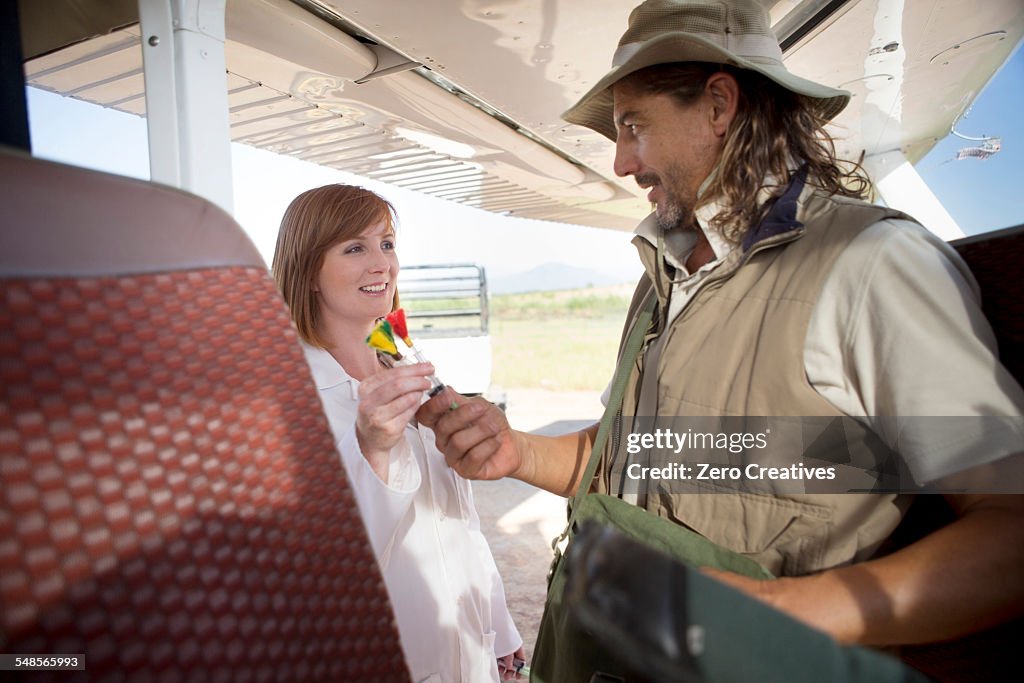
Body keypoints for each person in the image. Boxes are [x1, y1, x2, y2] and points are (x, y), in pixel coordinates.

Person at [417, 0, 1024, 669]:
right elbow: (632, 458)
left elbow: (1010, 528)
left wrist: (776, 612)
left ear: (718, 105)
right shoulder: (663, 280)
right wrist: (515, 451)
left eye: (632, 126)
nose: (621, 161)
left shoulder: (869, 264)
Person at [272, 184, 524, 682]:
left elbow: (460, 517)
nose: (381, 263)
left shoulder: (409, 366)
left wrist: (498, 625)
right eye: (354, 247)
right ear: (308, 271)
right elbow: (316, 568)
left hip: (468, 653)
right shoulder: (285, 397)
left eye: (386, 243)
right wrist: (372, 449)